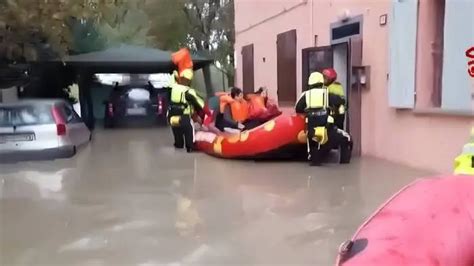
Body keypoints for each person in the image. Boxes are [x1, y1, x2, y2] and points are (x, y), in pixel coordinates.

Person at [295, 71, 352, 166]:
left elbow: (298, 108)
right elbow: (341, 101)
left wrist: (310, 110)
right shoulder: (327, 94)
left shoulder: (306, 95)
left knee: (315, 161)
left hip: (312, 135)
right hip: (328, 132)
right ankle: (344, 166)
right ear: (321, 82)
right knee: (347, 140)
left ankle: (315, 160)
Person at [168, 67, 205, 153]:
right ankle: (190, 147)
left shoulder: (172, 88)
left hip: (172, 115)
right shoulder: (188, 91)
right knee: (189, 130)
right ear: (189, 81)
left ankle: (178, 144)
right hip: (184, 115)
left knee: (176, 130)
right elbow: (199, 103)